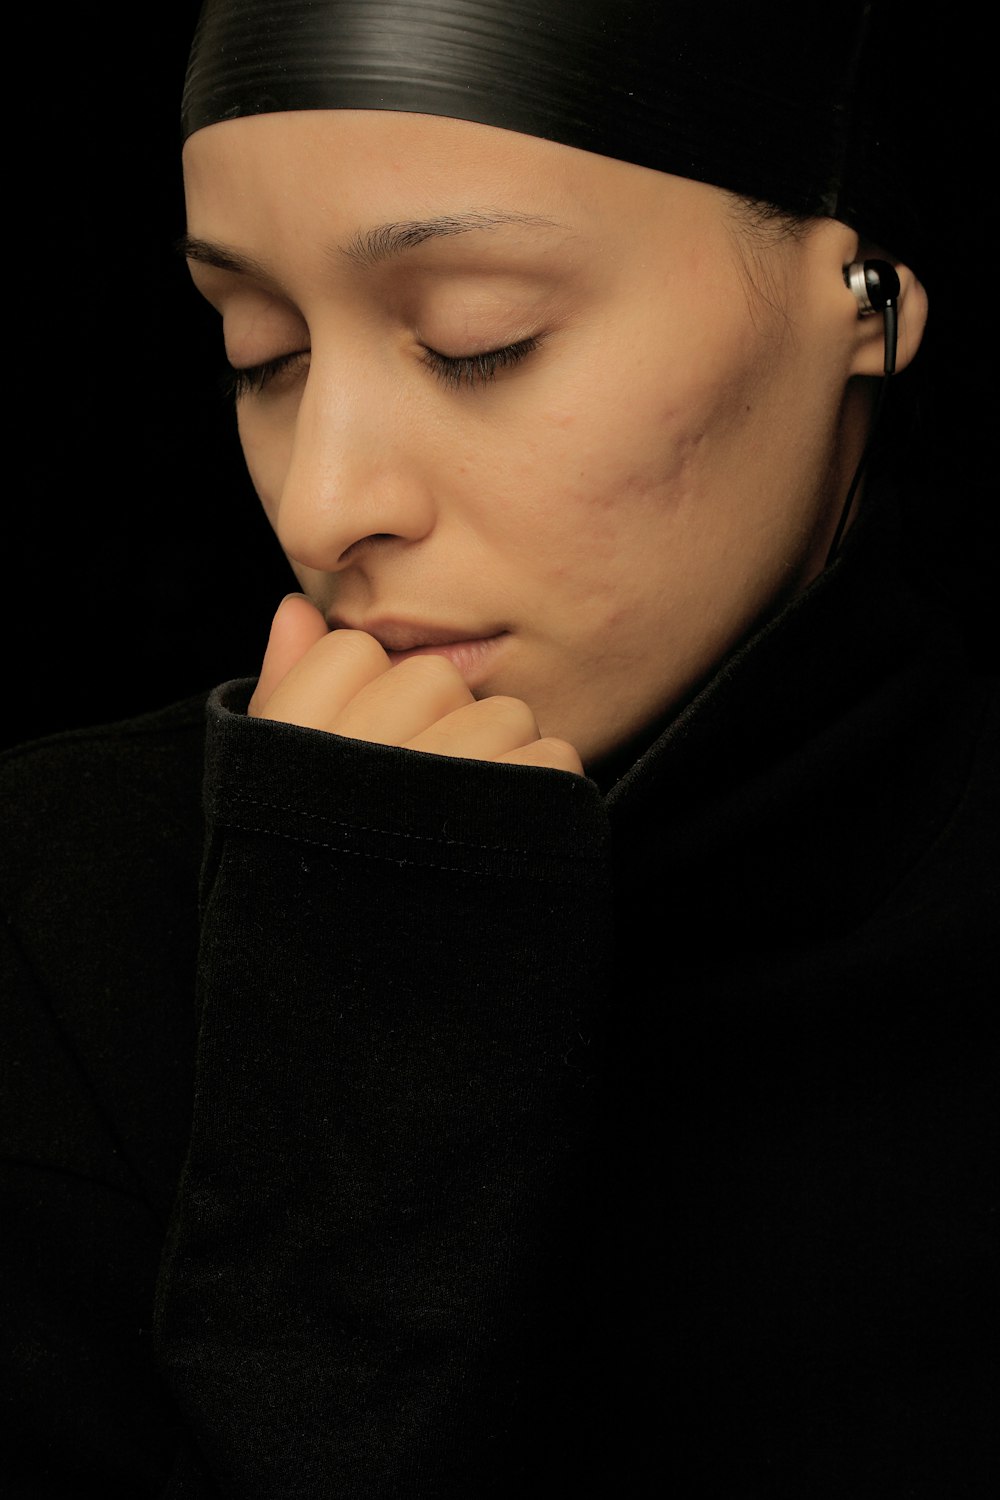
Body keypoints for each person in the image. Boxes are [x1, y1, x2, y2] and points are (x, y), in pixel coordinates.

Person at [2, 2, 995, 1494]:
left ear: (864, 296)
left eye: (479, 340)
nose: (324, 504)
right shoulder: (51, 916)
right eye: (260, 350)